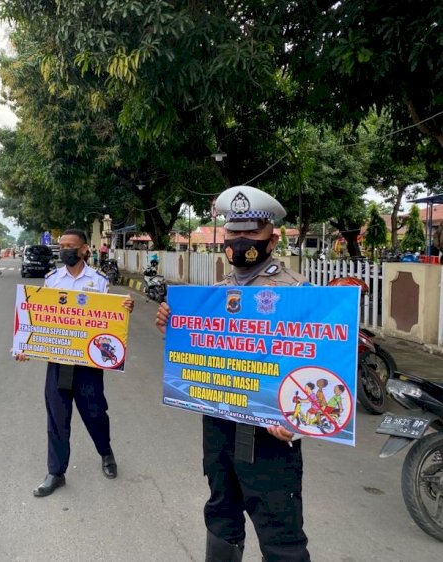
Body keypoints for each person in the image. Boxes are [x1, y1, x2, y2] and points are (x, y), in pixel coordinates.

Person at [155, 185, 311, 561]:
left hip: (271, 436)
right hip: (220, 427)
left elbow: (313, 365)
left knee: (280, 533)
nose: (239, 241)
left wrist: (296, 419)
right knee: (221, 515)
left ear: (272, 239)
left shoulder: (298, 292)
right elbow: (201, 354)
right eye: (232, 233)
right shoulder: (214, 294)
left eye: (251, 233)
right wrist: (175, 326)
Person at [16, 229, 134, 497]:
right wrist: (25, 347)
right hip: (58, 361)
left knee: (95, 413)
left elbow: (110, 318)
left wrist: (125, 310)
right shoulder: (51, 280)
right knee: (57, 417)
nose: (65, 250)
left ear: (83, 250)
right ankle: (55, 472)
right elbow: (39, 319)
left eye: (71, 246)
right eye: (62, 246)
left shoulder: (99, 281)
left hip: (87, 363)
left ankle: (106, 453)